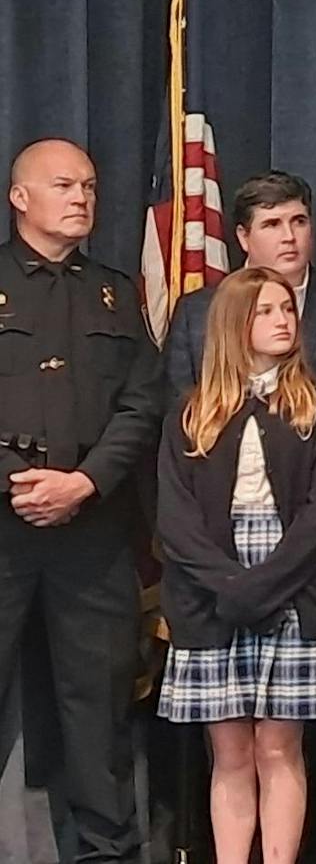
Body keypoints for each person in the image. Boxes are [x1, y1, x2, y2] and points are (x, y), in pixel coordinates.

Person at [158, 169, 316, 864]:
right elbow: (176, 514)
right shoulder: (193, 412)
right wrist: (228, 584)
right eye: (270, 311)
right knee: (229, 749)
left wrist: (268, 582)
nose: (286, 320)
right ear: (234, 323)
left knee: (280, 743)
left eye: (290, 309)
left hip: (295, 582)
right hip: (211, 586)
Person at [0, 138, 163, 862]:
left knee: (97, 711)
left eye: (91, 186)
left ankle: (104, 850)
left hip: (92, 531)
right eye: (64, 184)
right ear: (19, 196)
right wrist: (20, 482)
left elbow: (142, 402)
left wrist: (85, 480)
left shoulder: (117, 290)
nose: (82, 198)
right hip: (3, 527)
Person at [164, 171, 316, 399]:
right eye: (272, 224)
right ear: (244, 237)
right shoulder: (196, 311)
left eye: (299, 222)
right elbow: (179, 407)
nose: (289, 237)